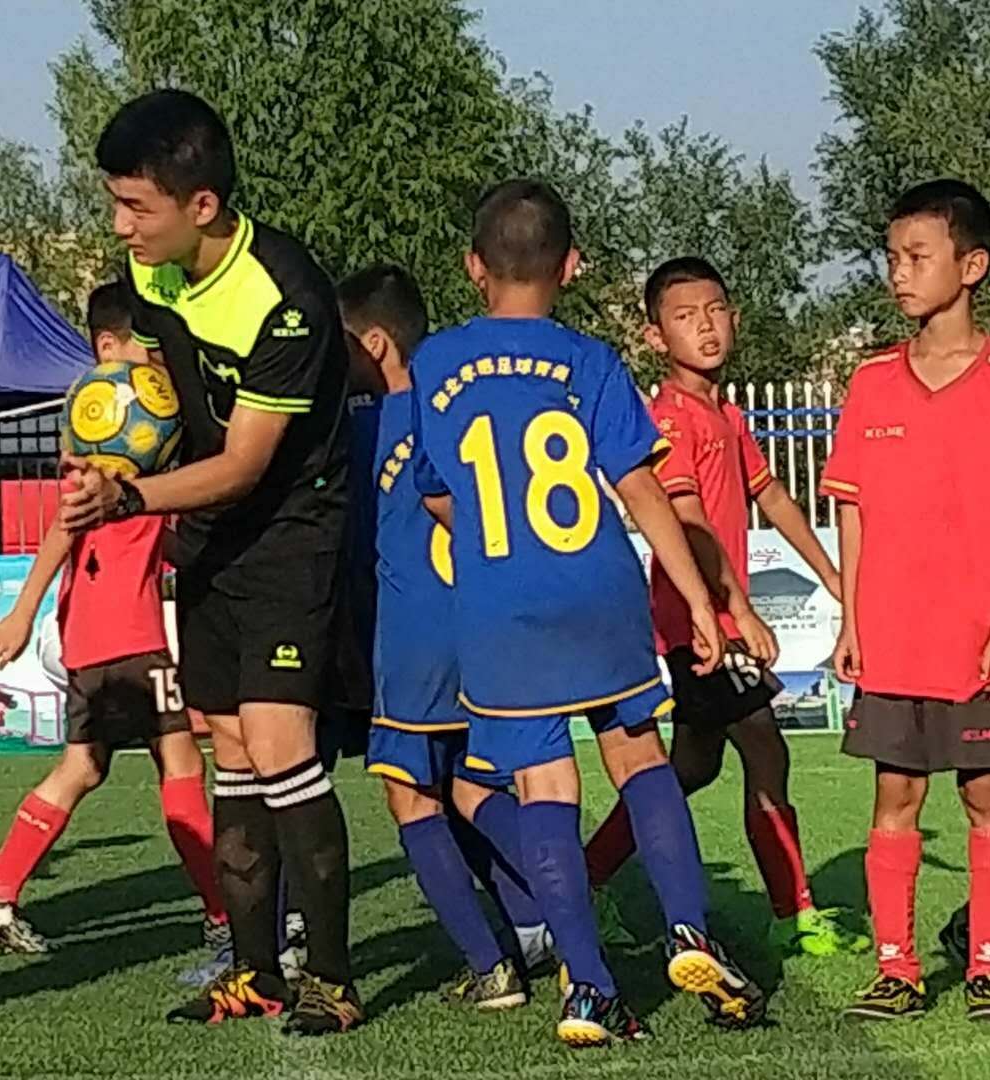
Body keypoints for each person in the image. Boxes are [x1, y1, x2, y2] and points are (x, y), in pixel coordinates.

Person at [408, 180, 765, 1048]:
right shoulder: (591, 360)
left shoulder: (436, 363)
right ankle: (688, 929)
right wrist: (700, 600)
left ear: (473, 266)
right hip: (598, 590)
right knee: (637, 755)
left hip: (501, 605)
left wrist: (494, 542)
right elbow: (639, 486)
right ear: (571, 266)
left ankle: (589, 989)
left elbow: (437, 494)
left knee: (544, 785)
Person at [60, 90, 359, 1035]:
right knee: (227, 743)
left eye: (135, 206)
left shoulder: (286, 298)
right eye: (114, 202)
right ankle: (255, 971)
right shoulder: (152, 271)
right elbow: (157, 393)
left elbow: (242, 465)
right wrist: (112, 451)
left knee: (277, 740)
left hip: (289, 530)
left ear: (202, 205)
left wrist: (129, 497)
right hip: (209, 533)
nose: (120, 226)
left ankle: (333, 980)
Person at [583, 257, 868, 958]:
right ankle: (792, 912)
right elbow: (688, 523)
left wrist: (833, 574)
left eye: (714, 311)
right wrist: (739, 609)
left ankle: (587, 877)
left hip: (713, 620)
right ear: (656, 337)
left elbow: (770, 495)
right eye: (685, 317)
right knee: (766, 750)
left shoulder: (726, 414)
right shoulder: (671, 420)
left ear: (735, 317)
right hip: (700, 623)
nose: (705, 327)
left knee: (692, 766)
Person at [0, 282, 229, 963]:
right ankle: (225, 916)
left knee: (83, 766)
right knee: (179, 763)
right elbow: (64, 526)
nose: (158, 368)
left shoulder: (118, 448)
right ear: (109, 350)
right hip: (128, 634)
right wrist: (22, 612)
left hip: (94, 635)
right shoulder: (105, 448)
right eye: (149, 351)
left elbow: (150, 534)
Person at [821, 179, 990, 1025]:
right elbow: (852, 509)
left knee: (987, 793)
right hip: (892, 640)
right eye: (892, 257)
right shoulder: (872, 382)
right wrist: (852, 618)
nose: (899, 273)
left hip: (976, 640)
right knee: (895, 798)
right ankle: (898, 969)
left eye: (917, 256)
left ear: (971, 265)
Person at [340, 264, 546, 1008]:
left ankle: (491, 964)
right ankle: (547, 918)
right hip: (480, 625)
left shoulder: (367, 429)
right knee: (474, 784)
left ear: (374, 342)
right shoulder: (458, 409)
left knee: (411, 797)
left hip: (414, 637)